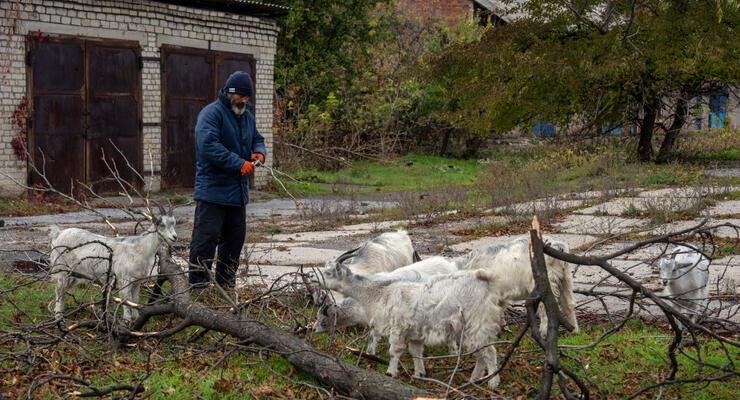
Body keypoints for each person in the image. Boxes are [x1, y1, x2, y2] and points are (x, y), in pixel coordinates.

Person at [188, 70, 265, 290]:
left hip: (237, 194)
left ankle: (225, 286)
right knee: (205, 241)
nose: (245, 101)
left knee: (234, 242)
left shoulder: (246, 117)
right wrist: (238, 163)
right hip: (212, 192)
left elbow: (258, 138)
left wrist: (259, 152)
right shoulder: (211, 114)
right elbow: (209, 146)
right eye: (242, 96)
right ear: (230, 93)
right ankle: (198, 288)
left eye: (248, 97)